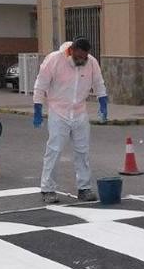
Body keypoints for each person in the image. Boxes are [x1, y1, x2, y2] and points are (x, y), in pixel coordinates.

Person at [32, 37, 109, 203]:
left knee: (83, 151)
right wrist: (37, 108)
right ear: (71, 51)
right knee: (54, 150)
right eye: (79, 57)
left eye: (84, 57)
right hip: (58, 112)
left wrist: (103, 103)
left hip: (80, 112)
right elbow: (41, 84)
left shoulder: (91, 62)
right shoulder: (54, 59)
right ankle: (47, 189)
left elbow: (99, 83)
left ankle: (84, 188)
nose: (82, 60)